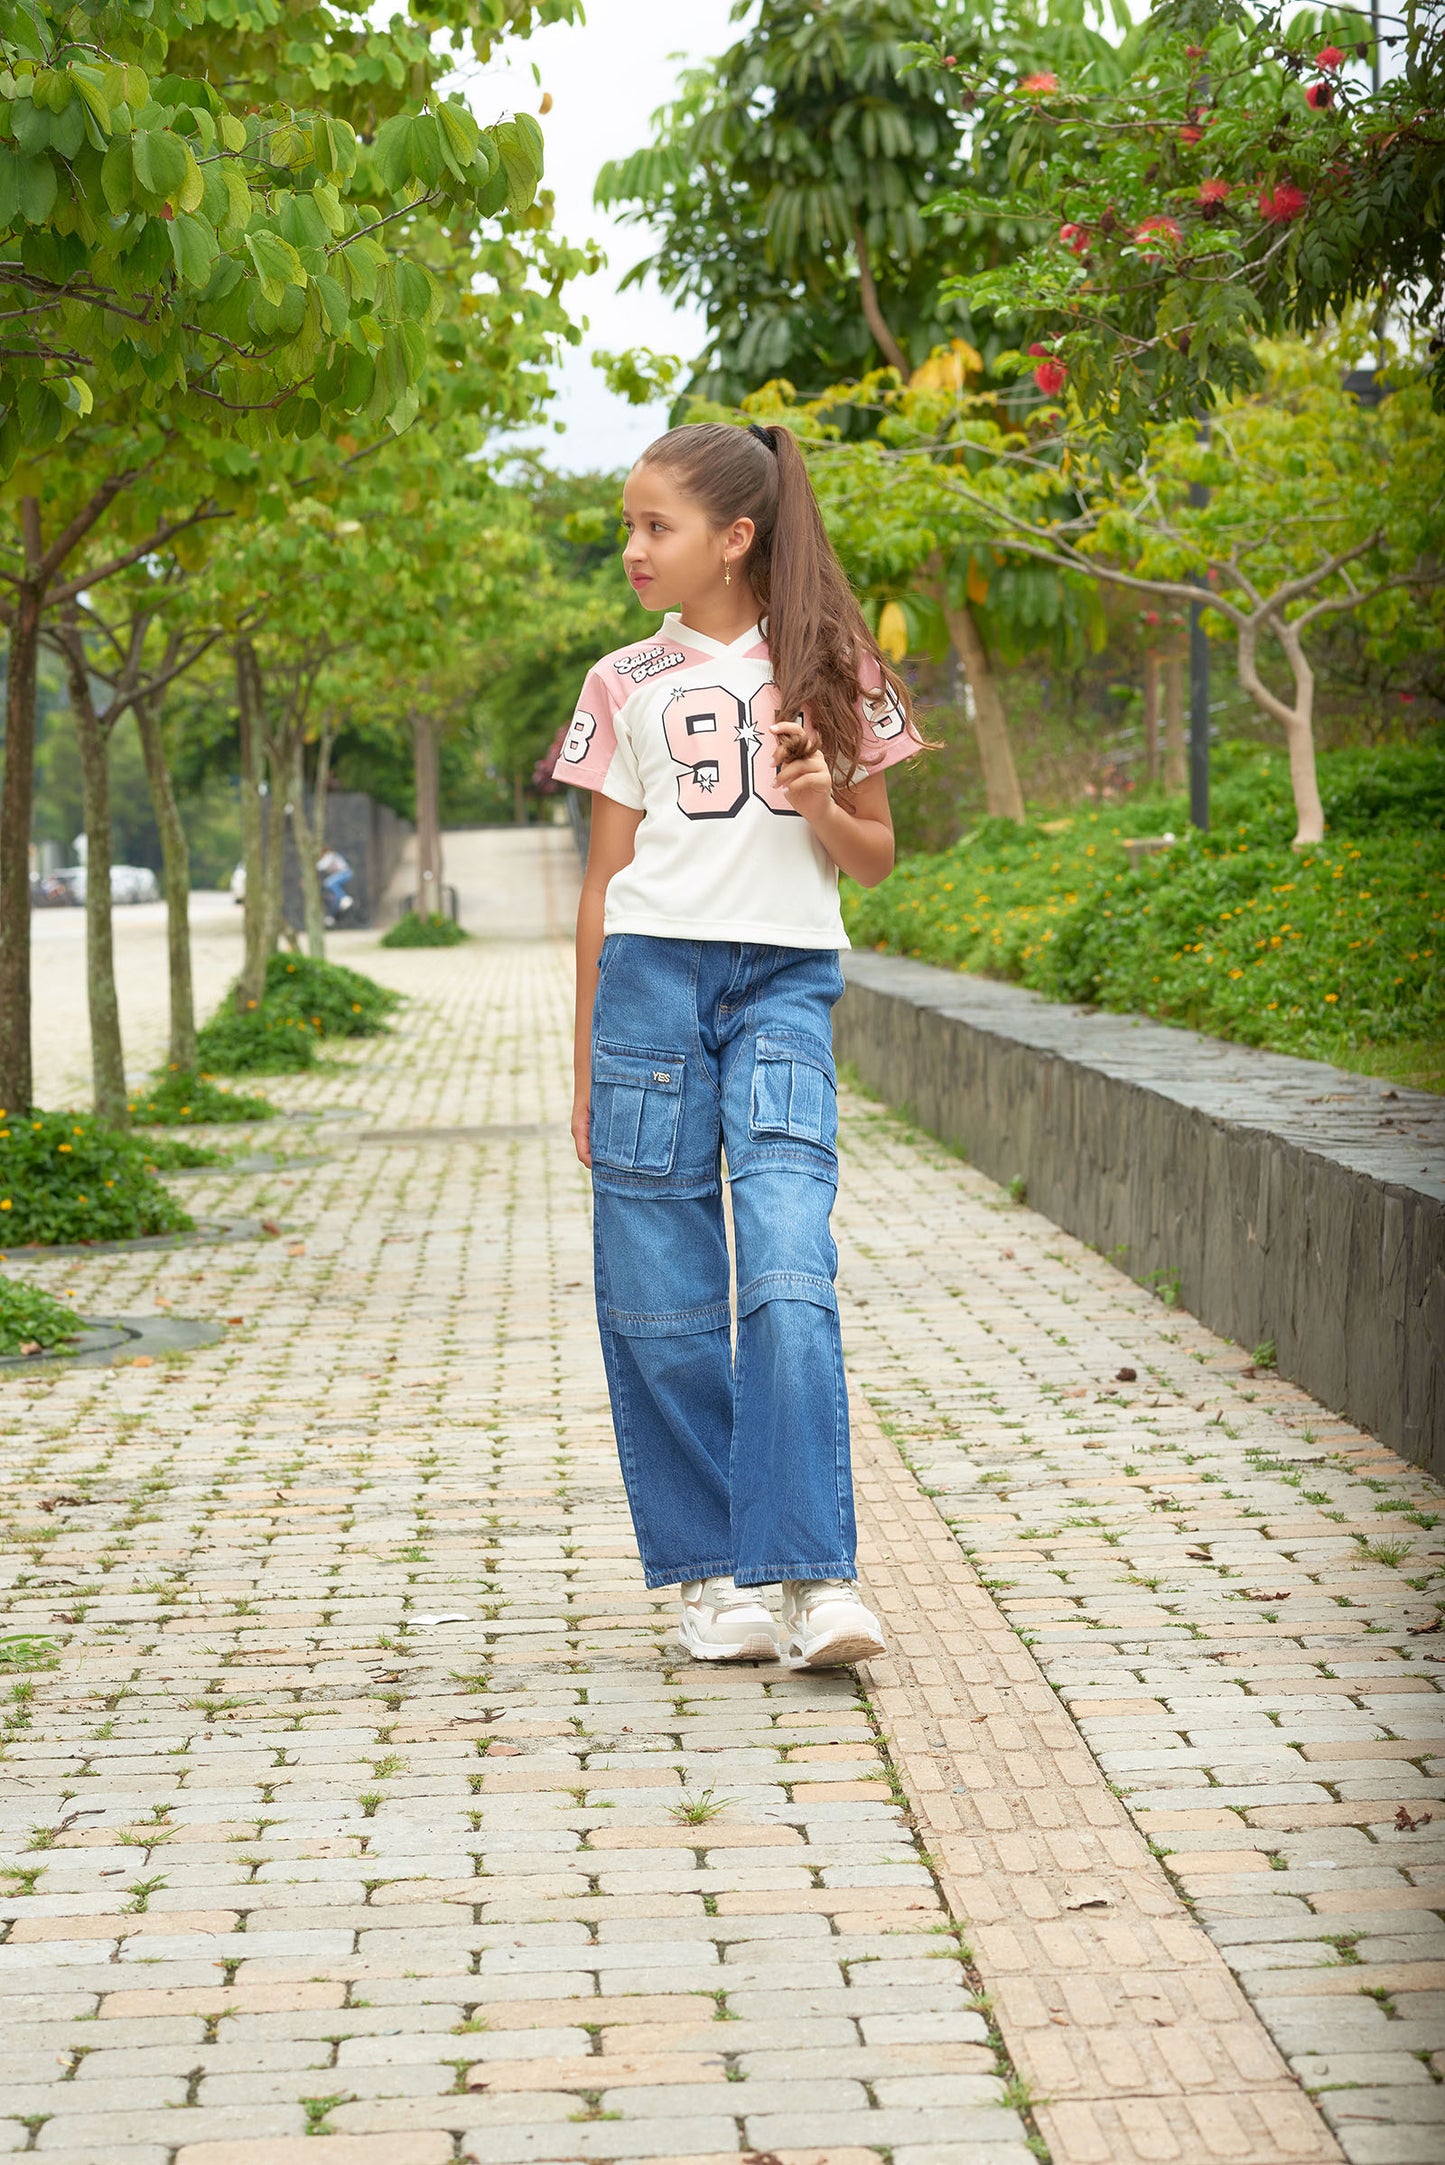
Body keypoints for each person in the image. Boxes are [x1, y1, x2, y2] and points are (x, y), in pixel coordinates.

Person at [554, 420, 922, 1671]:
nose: (632, 548)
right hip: (648, 990)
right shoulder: (621, 679)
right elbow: (603, 884)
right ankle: (713, 1577)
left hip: (781, 987)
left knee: (782, 1267)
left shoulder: (835, 667)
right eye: (627, 525)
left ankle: (818, 1572)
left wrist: (819, 796)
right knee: (658, 1300)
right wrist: (580, 1058)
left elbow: (871, 859)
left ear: (735, 535)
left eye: (653, 525)